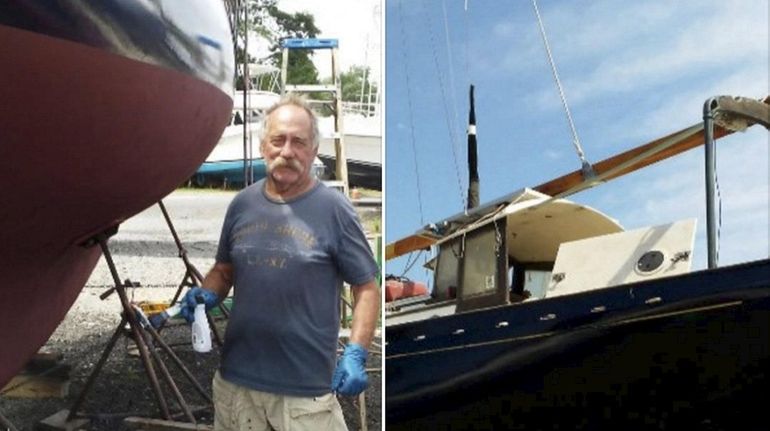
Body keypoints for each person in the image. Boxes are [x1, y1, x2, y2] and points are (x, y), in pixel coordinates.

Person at [181, 94, 380, 430]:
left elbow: (366, 288)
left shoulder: (335, 209)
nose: (287, 152)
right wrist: (206, 294)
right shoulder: (242, 204)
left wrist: (357, 352)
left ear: (314, 151)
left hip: (304, 396)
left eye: (299, 142)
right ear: (264, 147)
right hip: (237, 385)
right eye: (278, 140)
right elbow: (224, 270)